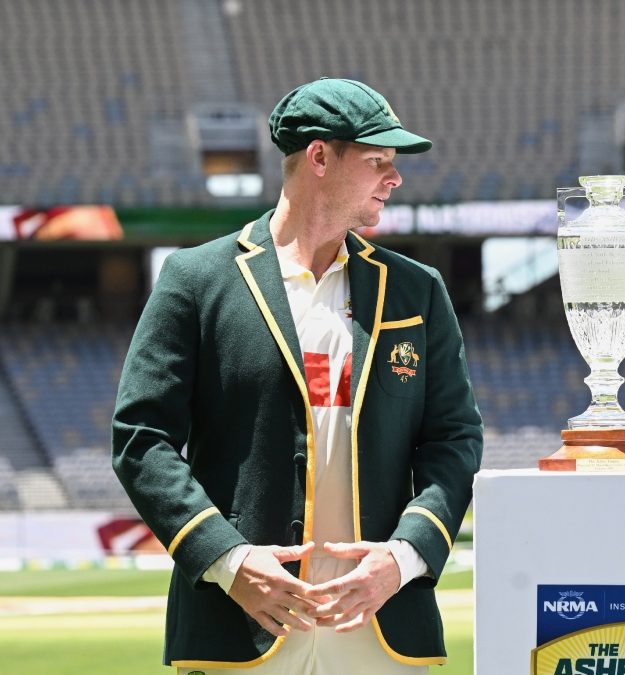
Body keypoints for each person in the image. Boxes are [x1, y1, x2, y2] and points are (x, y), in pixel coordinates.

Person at [112, 77, 484, 673]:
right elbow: (141, 439)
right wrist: (229, 561)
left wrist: (403, 557)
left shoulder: (418, 289)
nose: (395, 177)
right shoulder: (195, 280)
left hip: (383, 626)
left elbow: (455, 439)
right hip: (239, 625)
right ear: (319, 157)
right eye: (378, 160)